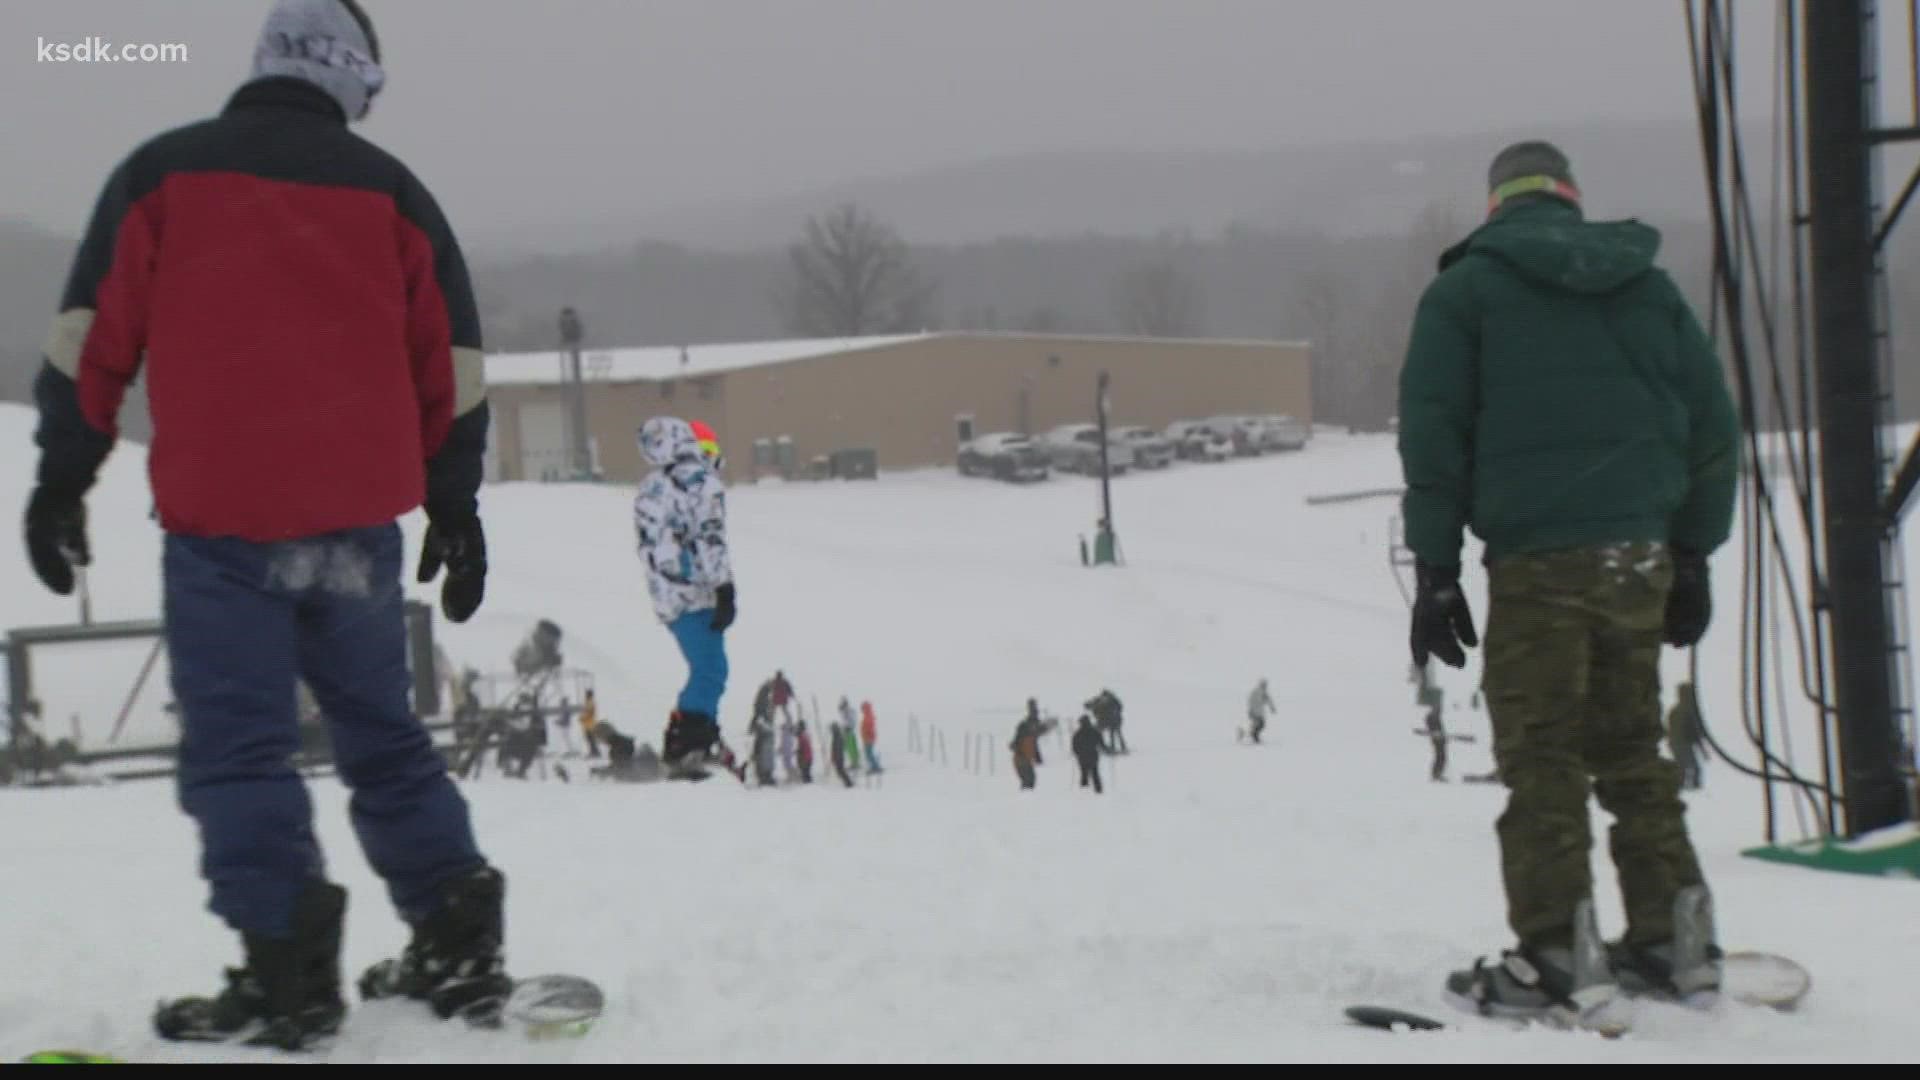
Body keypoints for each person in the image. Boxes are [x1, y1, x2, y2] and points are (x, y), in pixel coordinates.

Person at [22, 0, 510, 1049]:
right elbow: (453, 368)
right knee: (384, 739)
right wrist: (455, 506)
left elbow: (88, 337)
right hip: (353, 538)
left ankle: (287, 972)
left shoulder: (164, 175)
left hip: (225, 534)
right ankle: (458, 940)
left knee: (242, 756)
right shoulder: (393, 196)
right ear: (350, 80)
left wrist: (62, 479)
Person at [1397, 140, 1740, 1021]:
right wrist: (1693, 554)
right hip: (1639, 556)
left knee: (1542, 755)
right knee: (1632, 749)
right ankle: (1676, 941)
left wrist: (1436, 569)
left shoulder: (1465, 293)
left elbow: (1434, 438)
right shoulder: (1650, 289)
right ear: (1571, 199)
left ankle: (1555, 951)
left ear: (1495, 206)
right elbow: (1711, 430)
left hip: (1540, 562)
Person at [633, 417, 738, 775]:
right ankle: (689, 743)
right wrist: (723, 586)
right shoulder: (701, 483)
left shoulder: (652, 487)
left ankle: (695, 734)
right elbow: (709, 536)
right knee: (711, 670)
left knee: (707, 668)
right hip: (695, 592)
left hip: (668, 595)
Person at [1666, 683, 1706, 792]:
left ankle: (1682, 786)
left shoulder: (1675, 711)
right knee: (1692, 768)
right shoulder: (1687, 711)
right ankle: (1688, 788)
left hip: (1677, 744)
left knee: (1684, 767)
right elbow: (1694, 732)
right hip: (1682, 745)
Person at [1071, 715, 1105, 795]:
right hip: (1093, 755)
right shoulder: (1095, 731)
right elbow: (1101, 744)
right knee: (1095, 773)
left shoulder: (1077, 734)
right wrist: (1107, 749)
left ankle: (1084, 792)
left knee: (1084, 774)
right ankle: (1098, 790)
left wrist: (1077, 753)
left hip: (1082, 757)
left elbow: (1074, 747)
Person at [1245, 679, 1276, 744]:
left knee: (1258, 725)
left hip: (1257, 712)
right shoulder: (1257, 692)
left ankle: (1252, 735)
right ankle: (1254, 736)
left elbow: (1268, 700)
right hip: (1255, 712)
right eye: (1264, 685)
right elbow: (1251, 701)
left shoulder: (1263, 692)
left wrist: (1272, 708)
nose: (1265, 686)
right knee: (1261, 724)